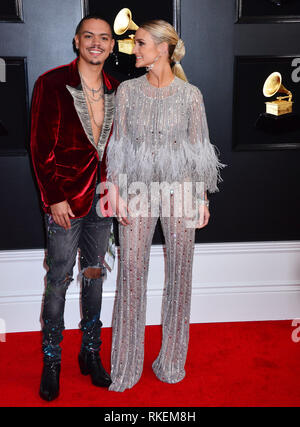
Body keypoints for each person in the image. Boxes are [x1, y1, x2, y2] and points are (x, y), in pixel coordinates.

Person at [106, 20, 224, 392]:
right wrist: (115, 191)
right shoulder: (126, 91)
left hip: (182, 191)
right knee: (131, 275)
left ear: (163, 48)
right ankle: (125, 366)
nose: (134, 49)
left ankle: (171, 362)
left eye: (140, 43)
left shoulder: (191, 96)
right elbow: (119, 148)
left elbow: (199, 152)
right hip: (136, 191)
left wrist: (202, 198)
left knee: (180, 277)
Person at [30, 15, 118, 401]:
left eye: (104, 38)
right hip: (65, 203)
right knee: (58, 282)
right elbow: (38, 147)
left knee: (95, 276)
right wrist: (54, 197)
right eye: (89, 37)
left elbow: (117, 150)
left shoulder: (118, 89)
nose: (96, 43)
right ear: (76, 41)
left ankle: (90, 352)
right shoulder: (51, 83)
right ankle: (52, 361)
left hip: (101, 204)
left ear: (112, 46)